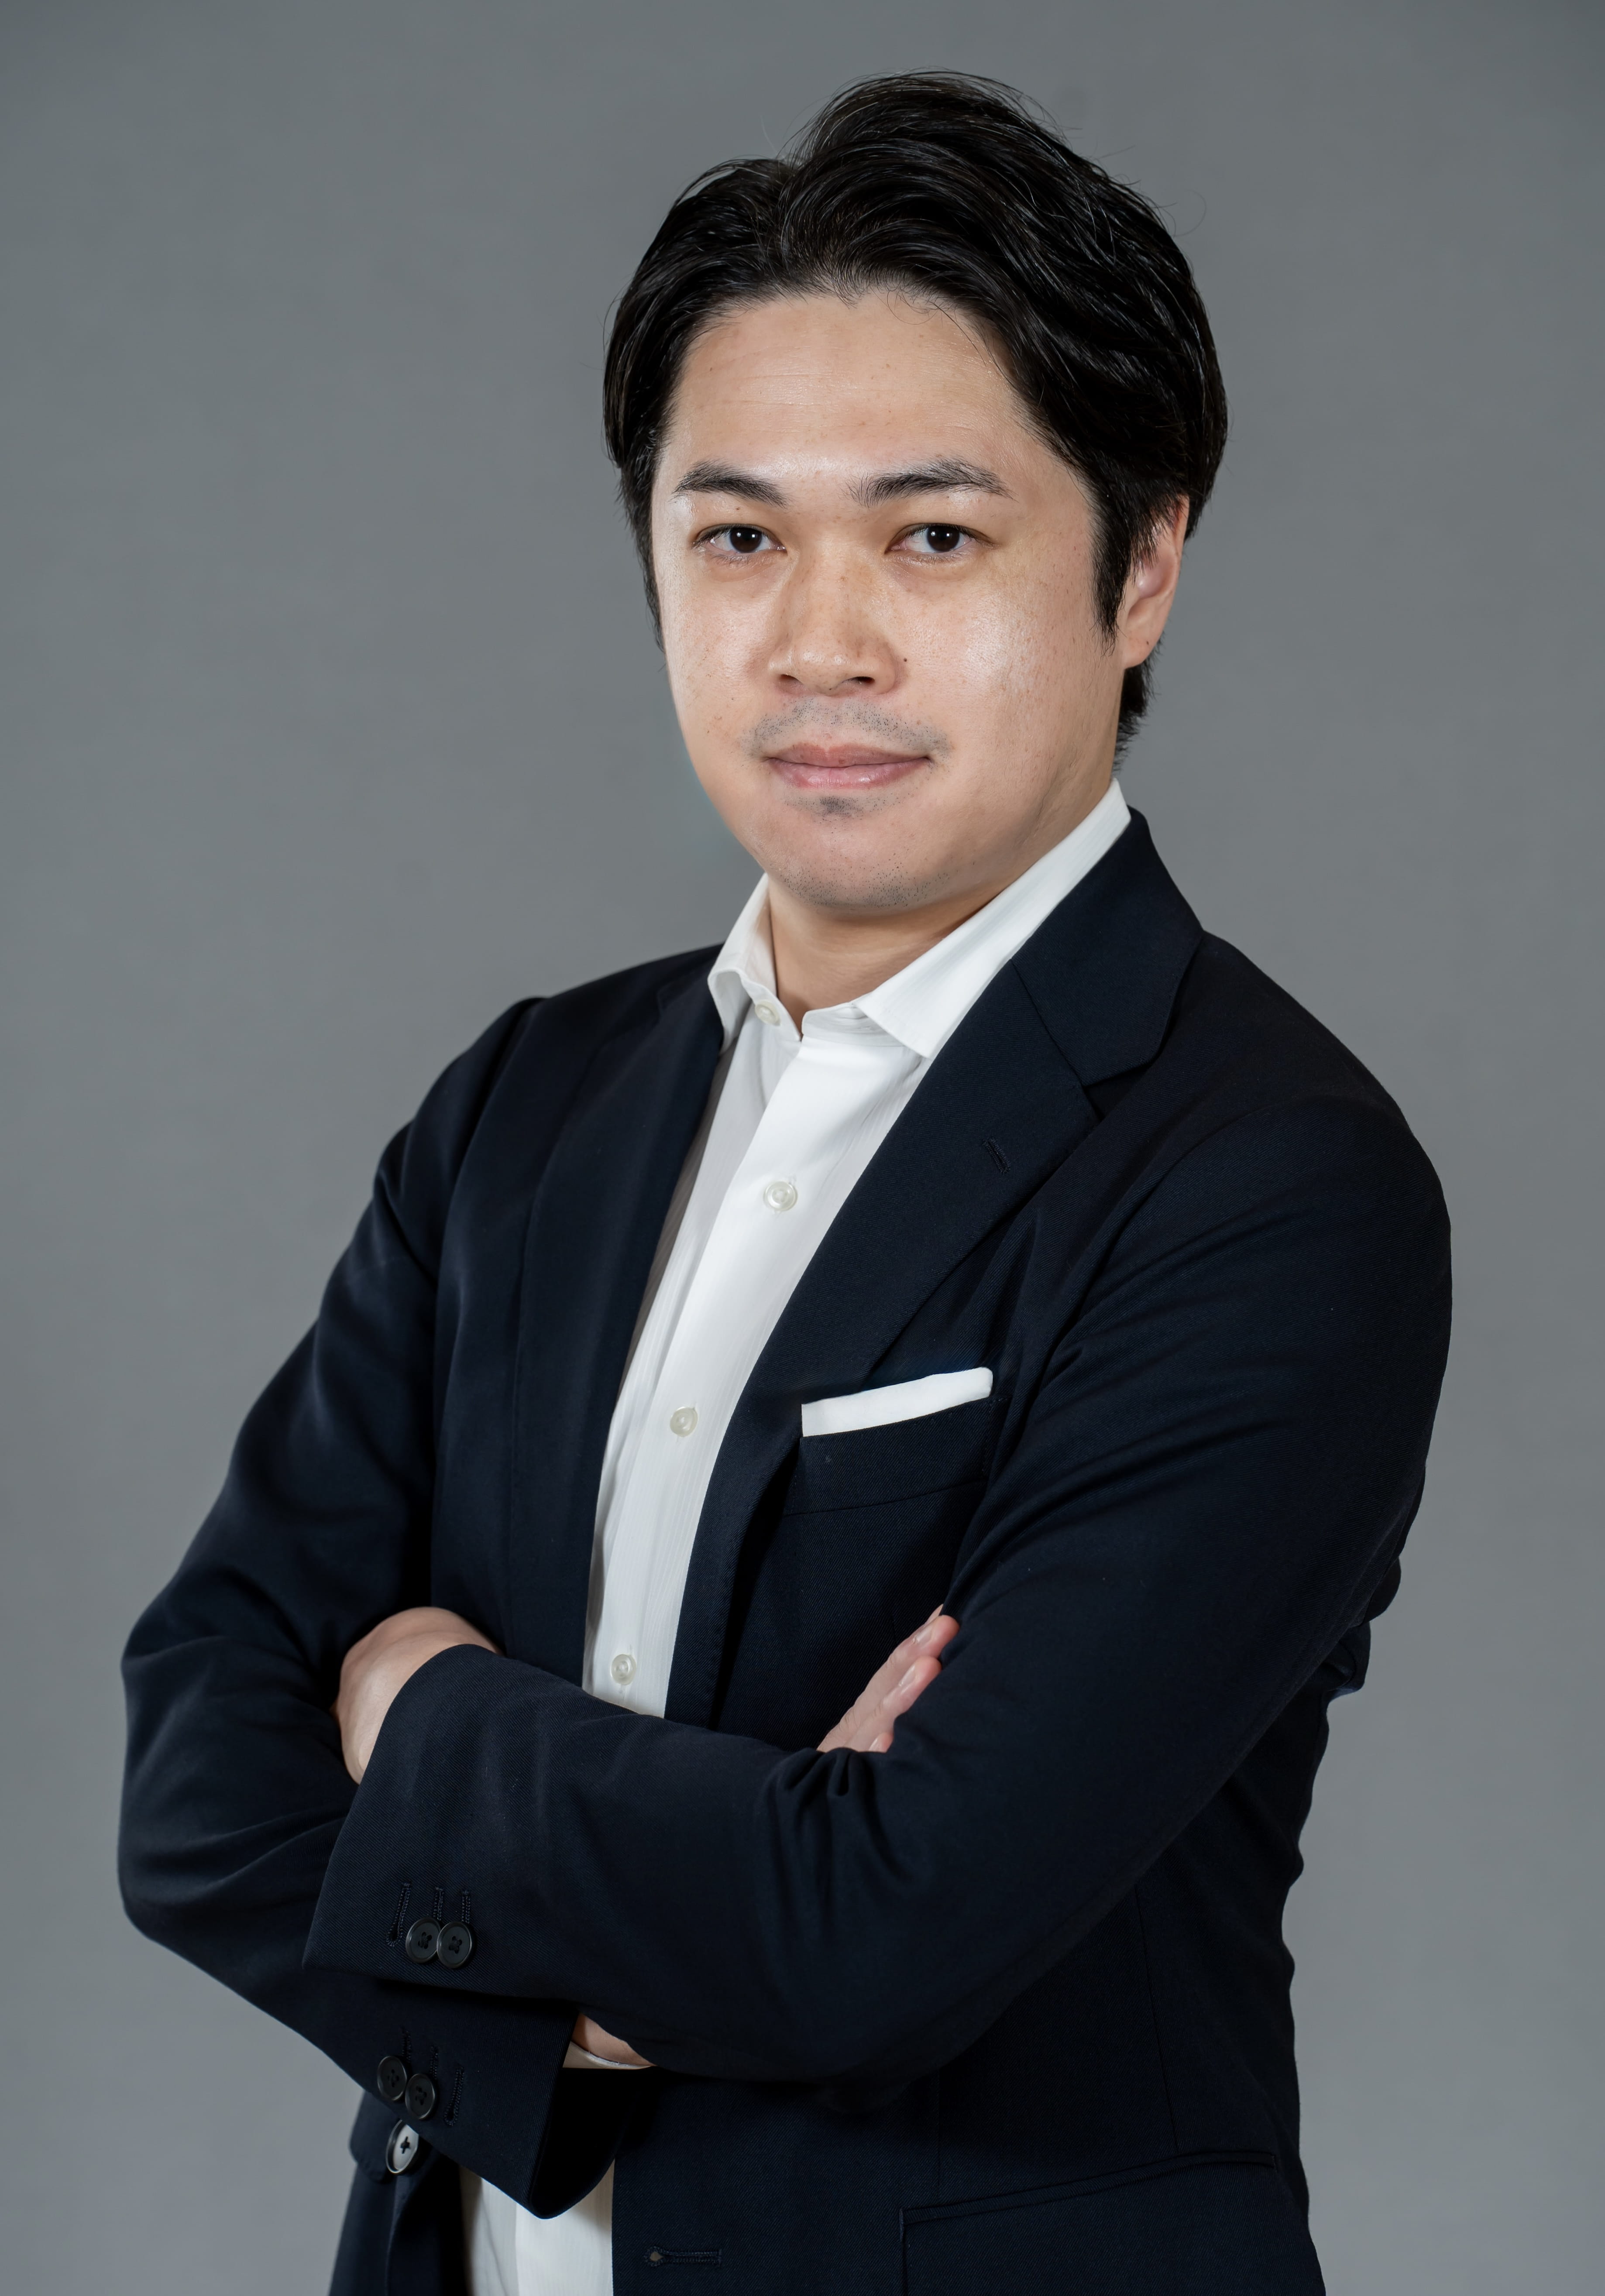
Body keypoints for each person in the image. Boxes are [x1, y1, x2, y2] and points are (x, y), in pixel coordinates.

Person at [119, 72, 1451, 2296]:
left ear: (1139, 567)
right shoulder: (527, 1106)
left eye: (933, 535)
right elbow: (197, 1773)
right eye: (736, 534)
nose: (816, 639)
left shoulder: (1266, 1179)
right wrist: (608, 1988)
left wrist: (421, 1713)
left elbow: (880, 1928)